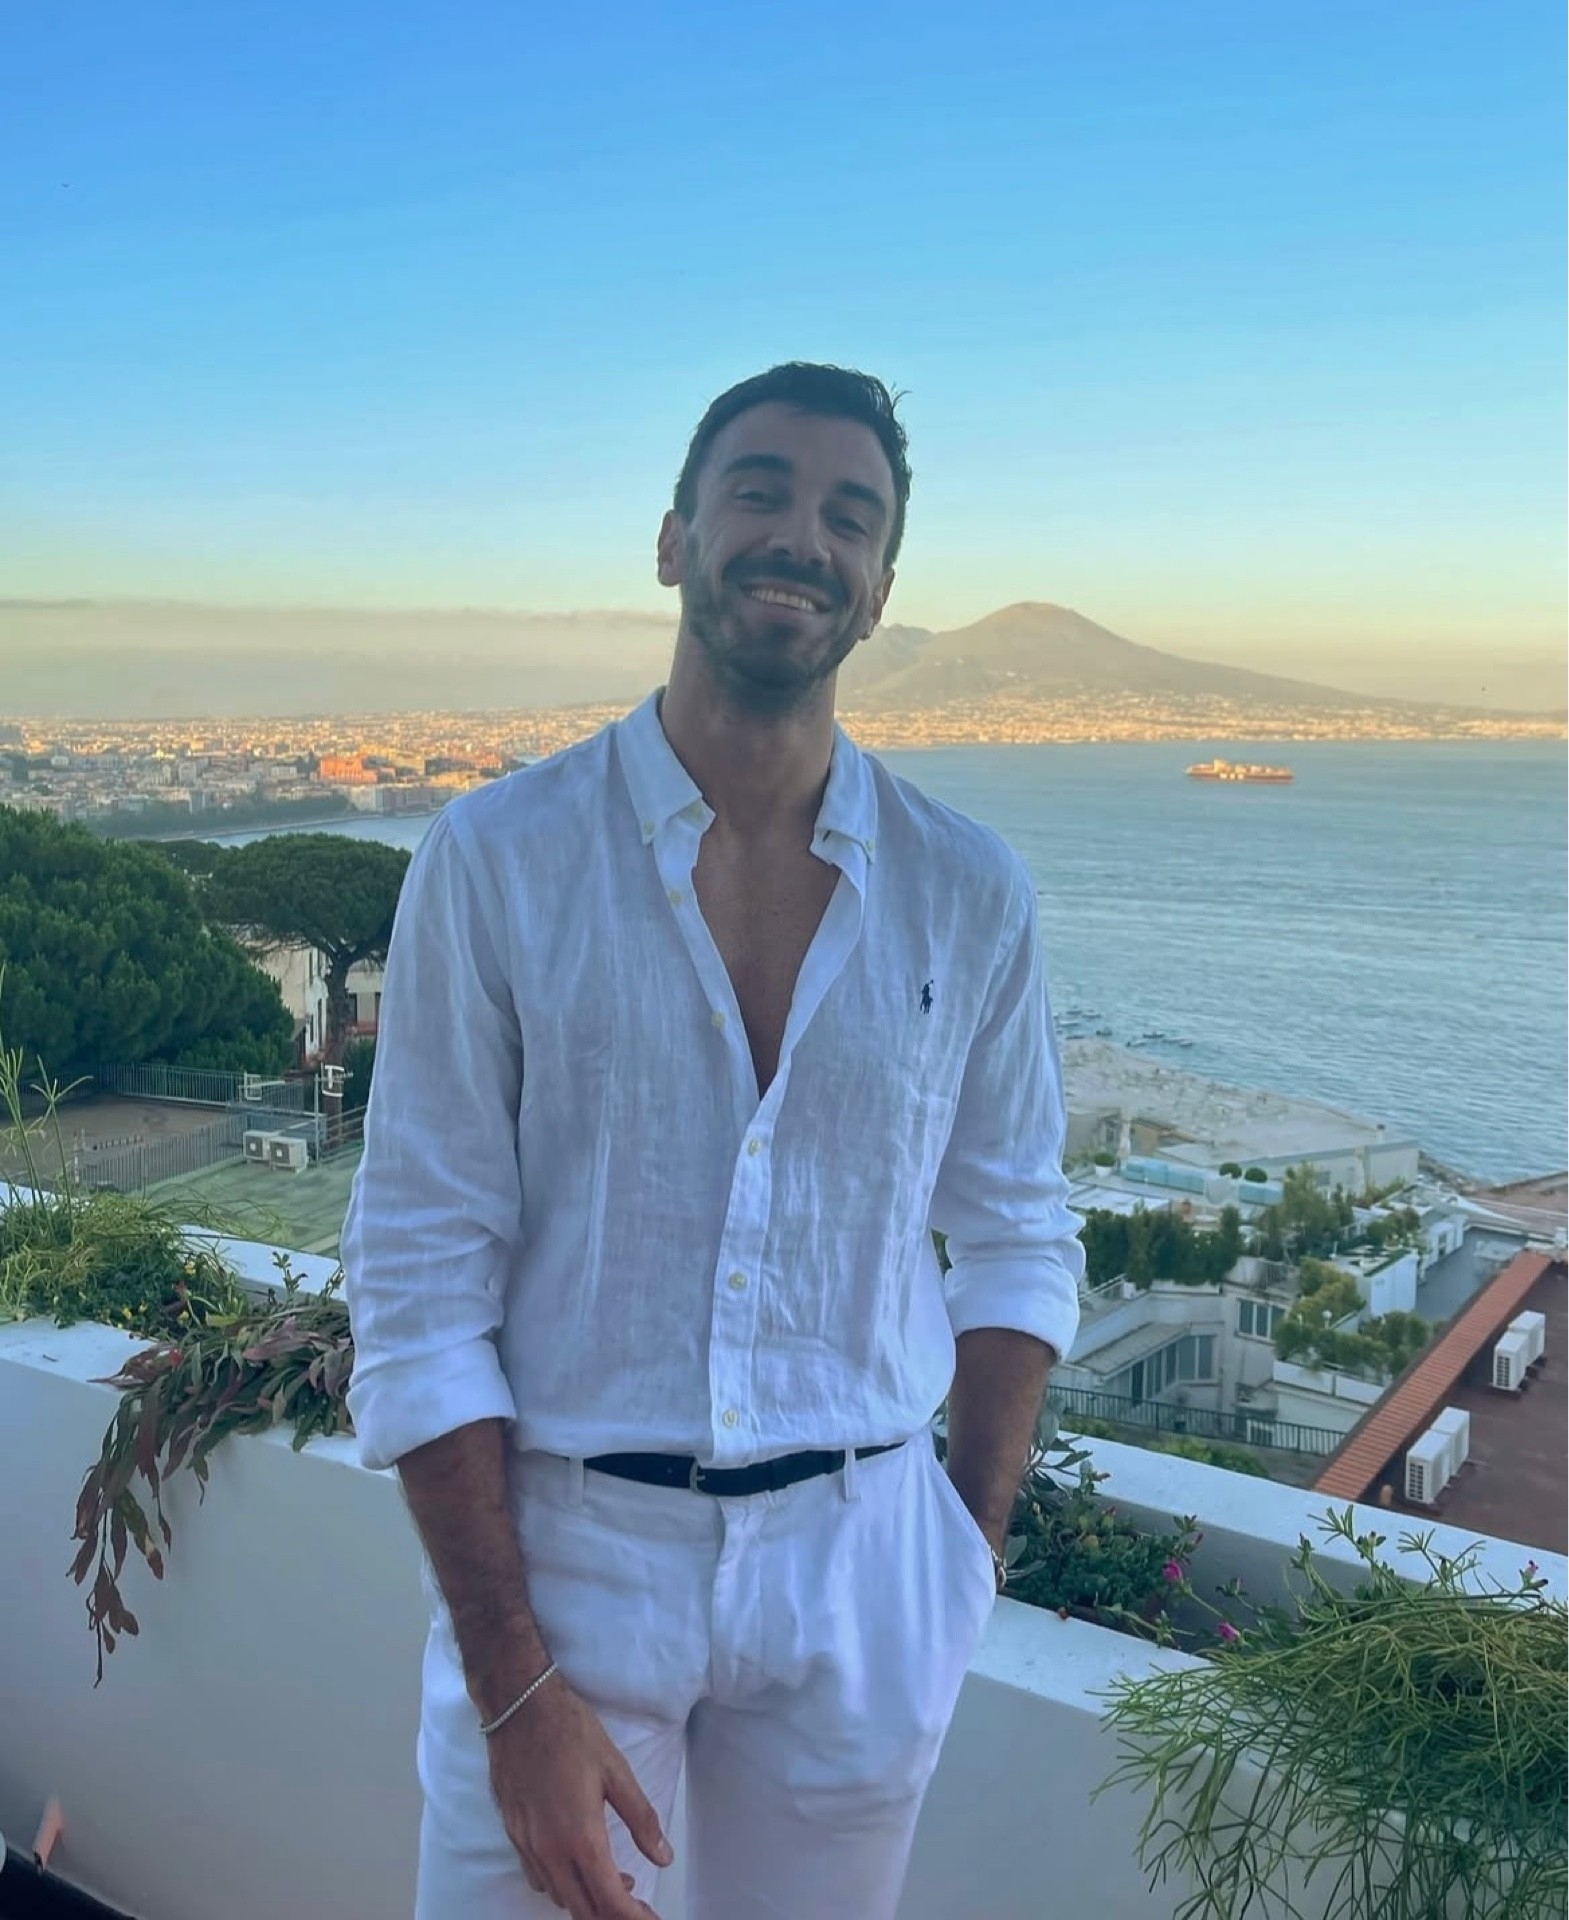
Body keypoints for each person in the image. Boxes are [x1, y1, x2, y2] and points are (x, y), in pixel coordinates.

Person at [342, 361, 1084, 1920]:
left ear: (881, 587)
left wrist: (960, 1554)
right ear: (674, 537)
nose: (802, 537)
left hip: (864, 1573)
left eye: (849, 516)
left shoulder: (968, 890)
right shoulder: (499, 858)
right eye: (759, 492)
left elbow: (1016, 1229)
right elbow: (419, 1272)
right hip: (571, 1565)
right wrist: (510, 1680)